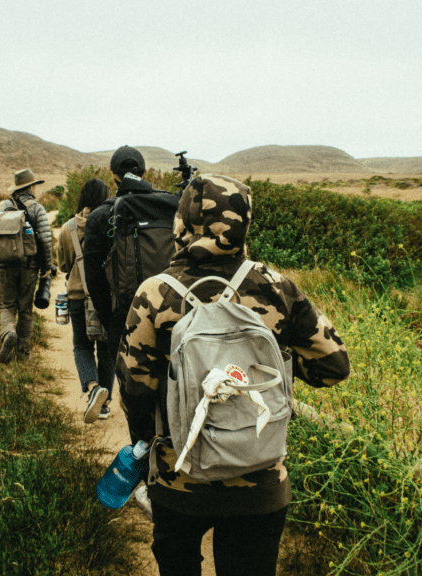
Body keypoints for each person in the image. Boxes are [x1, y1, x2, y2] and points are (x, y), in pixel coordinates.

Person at [116, 174, 351, 576]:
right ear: (244, 223)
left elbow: (135, 388)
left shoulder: (155, 292)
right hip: (261, 481)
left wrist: (147, 447)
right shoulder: (277, 287)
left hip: (179, 482)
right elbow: (334, 367)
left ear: (183, 223)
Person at [82, 145, 179, 425]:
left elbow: (94, 280)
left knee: (134, 396)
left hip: (124, 317)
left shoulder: (100, 216)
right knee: (173, 384)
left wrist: (109, 317)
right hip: (172, 310)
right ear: (144, 173)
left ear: (113, 176)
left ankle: (142, 452)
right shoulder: (170, 206)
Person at [54, 178, 117, 422]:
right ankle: (105, 404)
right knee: (107, 349)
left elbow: (62, 265)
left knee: (82, 345)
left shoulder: (67, 228)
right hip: (107, 295)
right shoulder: (112, 223)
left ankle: (93, 389)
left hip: (78, 296)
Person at [0, 168, 53, 363]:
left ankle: (8, 331)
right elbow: (45, 241)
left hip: (5, 265)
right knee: (25, 309)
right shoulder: (37, 208)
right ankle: (22, 352)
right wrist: (47, 267)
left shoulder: (0, 207)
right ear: (31, 187)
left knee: (6, 304)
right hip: (29, 266)